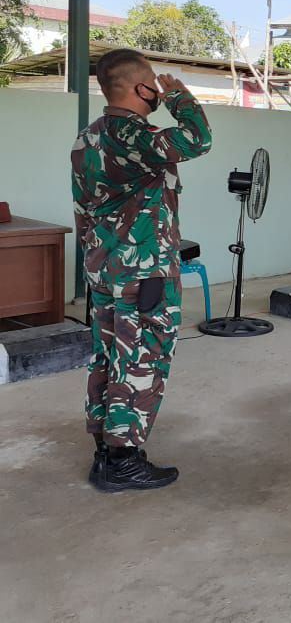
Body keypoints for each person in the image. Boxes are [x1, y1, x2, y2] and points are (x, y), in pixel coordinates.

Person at [71, 48, 212, 492]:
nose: (159, 88)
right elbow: (197, 139)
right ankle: (123, 460)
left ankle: (106, 451)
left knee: (110, 357)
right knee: (142, 359)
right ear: (140, 88)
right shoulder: (134, 136)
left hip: (104, 270)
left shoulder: (88, 138)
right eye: (154, 82)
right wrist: (181, 97)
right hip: (143, 271)